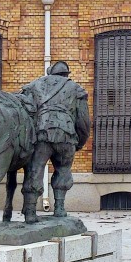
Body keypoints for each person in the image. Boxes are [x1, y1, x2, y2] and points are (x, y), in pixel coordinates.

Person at [20, 61, 90, 222]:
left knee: (35, 169)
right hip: (66, 135)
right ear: (66, 75)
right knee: (64, 169)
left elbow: (24, 111)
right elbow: (84, 121)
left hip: (42, 134)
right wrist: (80, 141)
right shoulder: (76, 89)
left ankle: (30, 212)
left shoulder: (34, 85)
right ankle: (59, 208)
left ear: (50, 73)